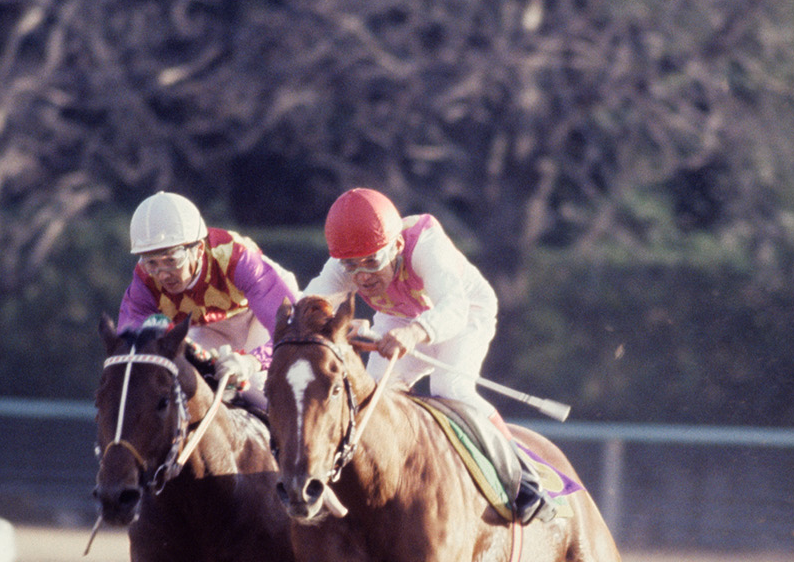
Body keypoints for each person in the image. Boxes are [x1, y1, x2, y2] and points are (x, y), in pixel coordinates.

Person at [305, 187, 545, 521]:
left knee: (450, 388)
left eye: (372, 262)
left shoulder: (425, 244)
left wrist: (414, 333)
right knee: (372, 400)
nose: (362, 276)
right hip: (400, 317)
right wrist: (337, 328)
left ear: (396, 246)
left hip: (465, 313)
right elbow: (306, 307)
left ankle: (523, 476)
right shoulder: (344, 263)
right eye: (351, 266)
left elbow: (454, 308)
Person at [116, 192, 300, 409]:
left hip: (262, 313)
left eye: (171, 260)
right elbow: (130, 350)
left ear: (199, 249)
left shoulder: (236, 258)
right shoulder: (144, 282)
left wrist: (252, 362)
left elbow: (290, 330)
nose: (162, 274)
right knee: (194, 384)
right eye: (151, 262)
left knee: (257, 382)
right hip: (210, 325)